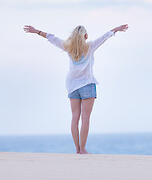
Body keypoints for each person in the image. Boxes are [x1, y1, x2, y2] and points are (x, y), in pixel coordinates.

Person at [23, 24, 129, 154]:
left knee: (74, 118)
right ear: (85, 36)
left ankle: (77, 149)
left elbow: (51, 38)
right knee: (85, 118)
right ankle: (82, 149)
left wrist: (36, 31)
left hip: (72, 86)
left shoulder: (68, 48)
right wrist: (116, 30)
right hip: (87, 85)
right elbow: (104, 37)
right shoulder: (90, 47)